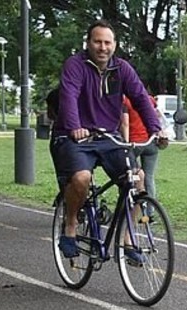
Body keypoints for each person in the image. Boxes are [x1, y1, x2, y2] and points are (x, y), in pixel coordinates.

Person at [51, 19, 166, 262]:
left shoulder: (122, 69)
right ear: (88, 43)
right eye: (97, 42)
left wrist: (157, 130)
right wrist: (75, 127)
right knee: (81, 178)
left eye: (107, 42)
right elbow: (69, 96)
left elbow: (141, 98)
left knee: (137, 178)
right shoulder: (75, 65)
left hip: (108, 136)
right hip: (75, 136)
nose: (102, 47)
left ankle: (128, 239)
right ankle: (70, 225)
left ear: (115, 44)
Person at [122, 93, 161, 199]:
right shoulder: (150, 100)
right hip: (150, 142)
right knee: (149, 177)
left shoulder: (126, 101)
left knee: (132, 175)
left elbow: (125, 123)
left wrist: (126, 143)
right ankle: (150, 207)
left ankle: (130, 202)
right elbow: (156, 116)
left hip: (134, 143)